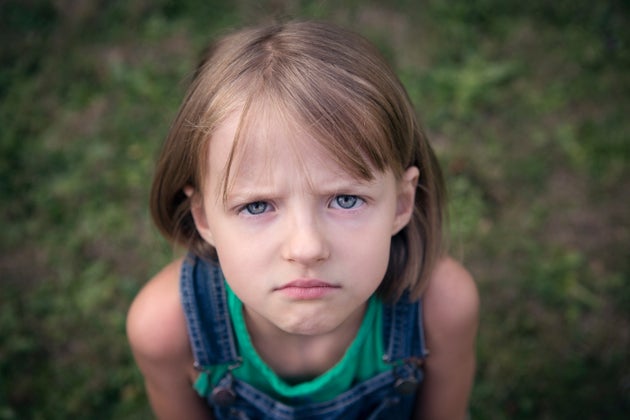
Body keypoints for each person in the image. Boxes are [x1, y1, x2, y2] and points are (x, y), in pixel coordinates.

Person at [127, 20, 479, 419]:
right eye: (257, 206)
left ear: (401, 203)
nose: (307, 247)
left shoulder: (441, 308)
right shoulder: (166, 330)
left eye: (346, 199)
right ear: (204, 216)